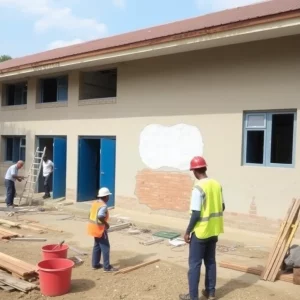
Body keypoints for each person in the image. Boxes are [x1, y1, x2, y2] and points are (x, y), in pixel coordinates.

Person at [179, 156, 225, 300]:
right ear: (204, 168)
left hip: (200, 232)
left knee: (195, 265)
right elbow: (222, 206)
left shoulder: (198, 188)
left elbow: (196, 213)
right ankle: (210, 293)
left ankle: (193, 296)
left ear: (194, 171)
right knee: (210, 262)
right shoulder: (217, 184)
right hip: (214, 230)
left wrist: (187, 231)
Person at [87, 187, 119, 273]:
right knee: (105, 247)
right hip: (100, 229)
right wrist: (106, 224)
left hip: (92, 227)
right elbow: (100, 216)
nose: (108, 198)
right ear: (105, 197)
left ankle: (95, 264)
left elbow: (90, 214)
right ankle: (107, 267)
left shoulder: (95, 203)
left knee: (97, 246)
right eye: (108, 196)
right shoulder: (103, 206)